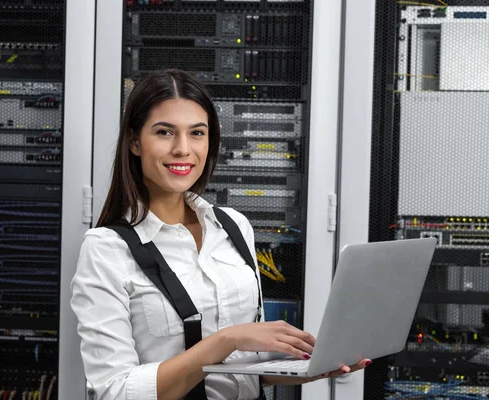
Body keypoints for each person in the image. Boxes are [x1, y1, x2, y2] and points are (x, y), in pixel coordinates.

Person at [70, 68, 371, 400]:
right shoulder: (106, 249)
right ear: (134, 142)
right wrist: (227, 340)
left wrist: (309, 365)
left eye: (197, 133)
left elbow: (243, 373)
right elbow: (114, 391)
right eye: (165, 132)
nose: (183, 149)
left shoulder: (233, 226)